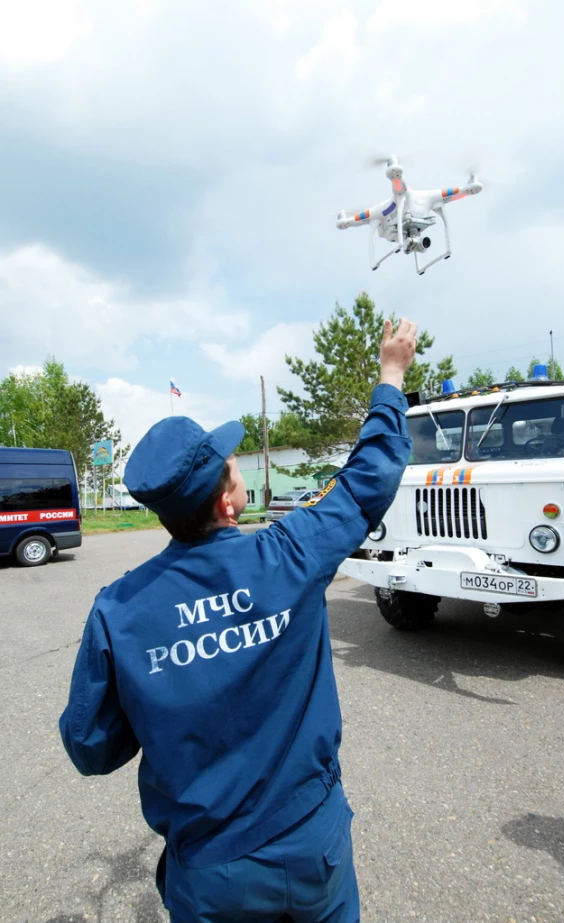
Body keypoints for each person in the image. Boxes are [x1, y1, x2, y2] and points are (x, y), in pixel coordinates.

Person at [59, 317, 418, 923]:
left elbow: (90, 747)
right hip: (311, 840)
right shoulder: (290, 552)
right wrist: (391, 376)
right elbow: (369, 479)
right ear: (227, 499)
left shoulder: (119, 610)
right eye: (232, 462)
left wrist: (164, 692)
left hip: (211, 873)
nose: (239, 467)